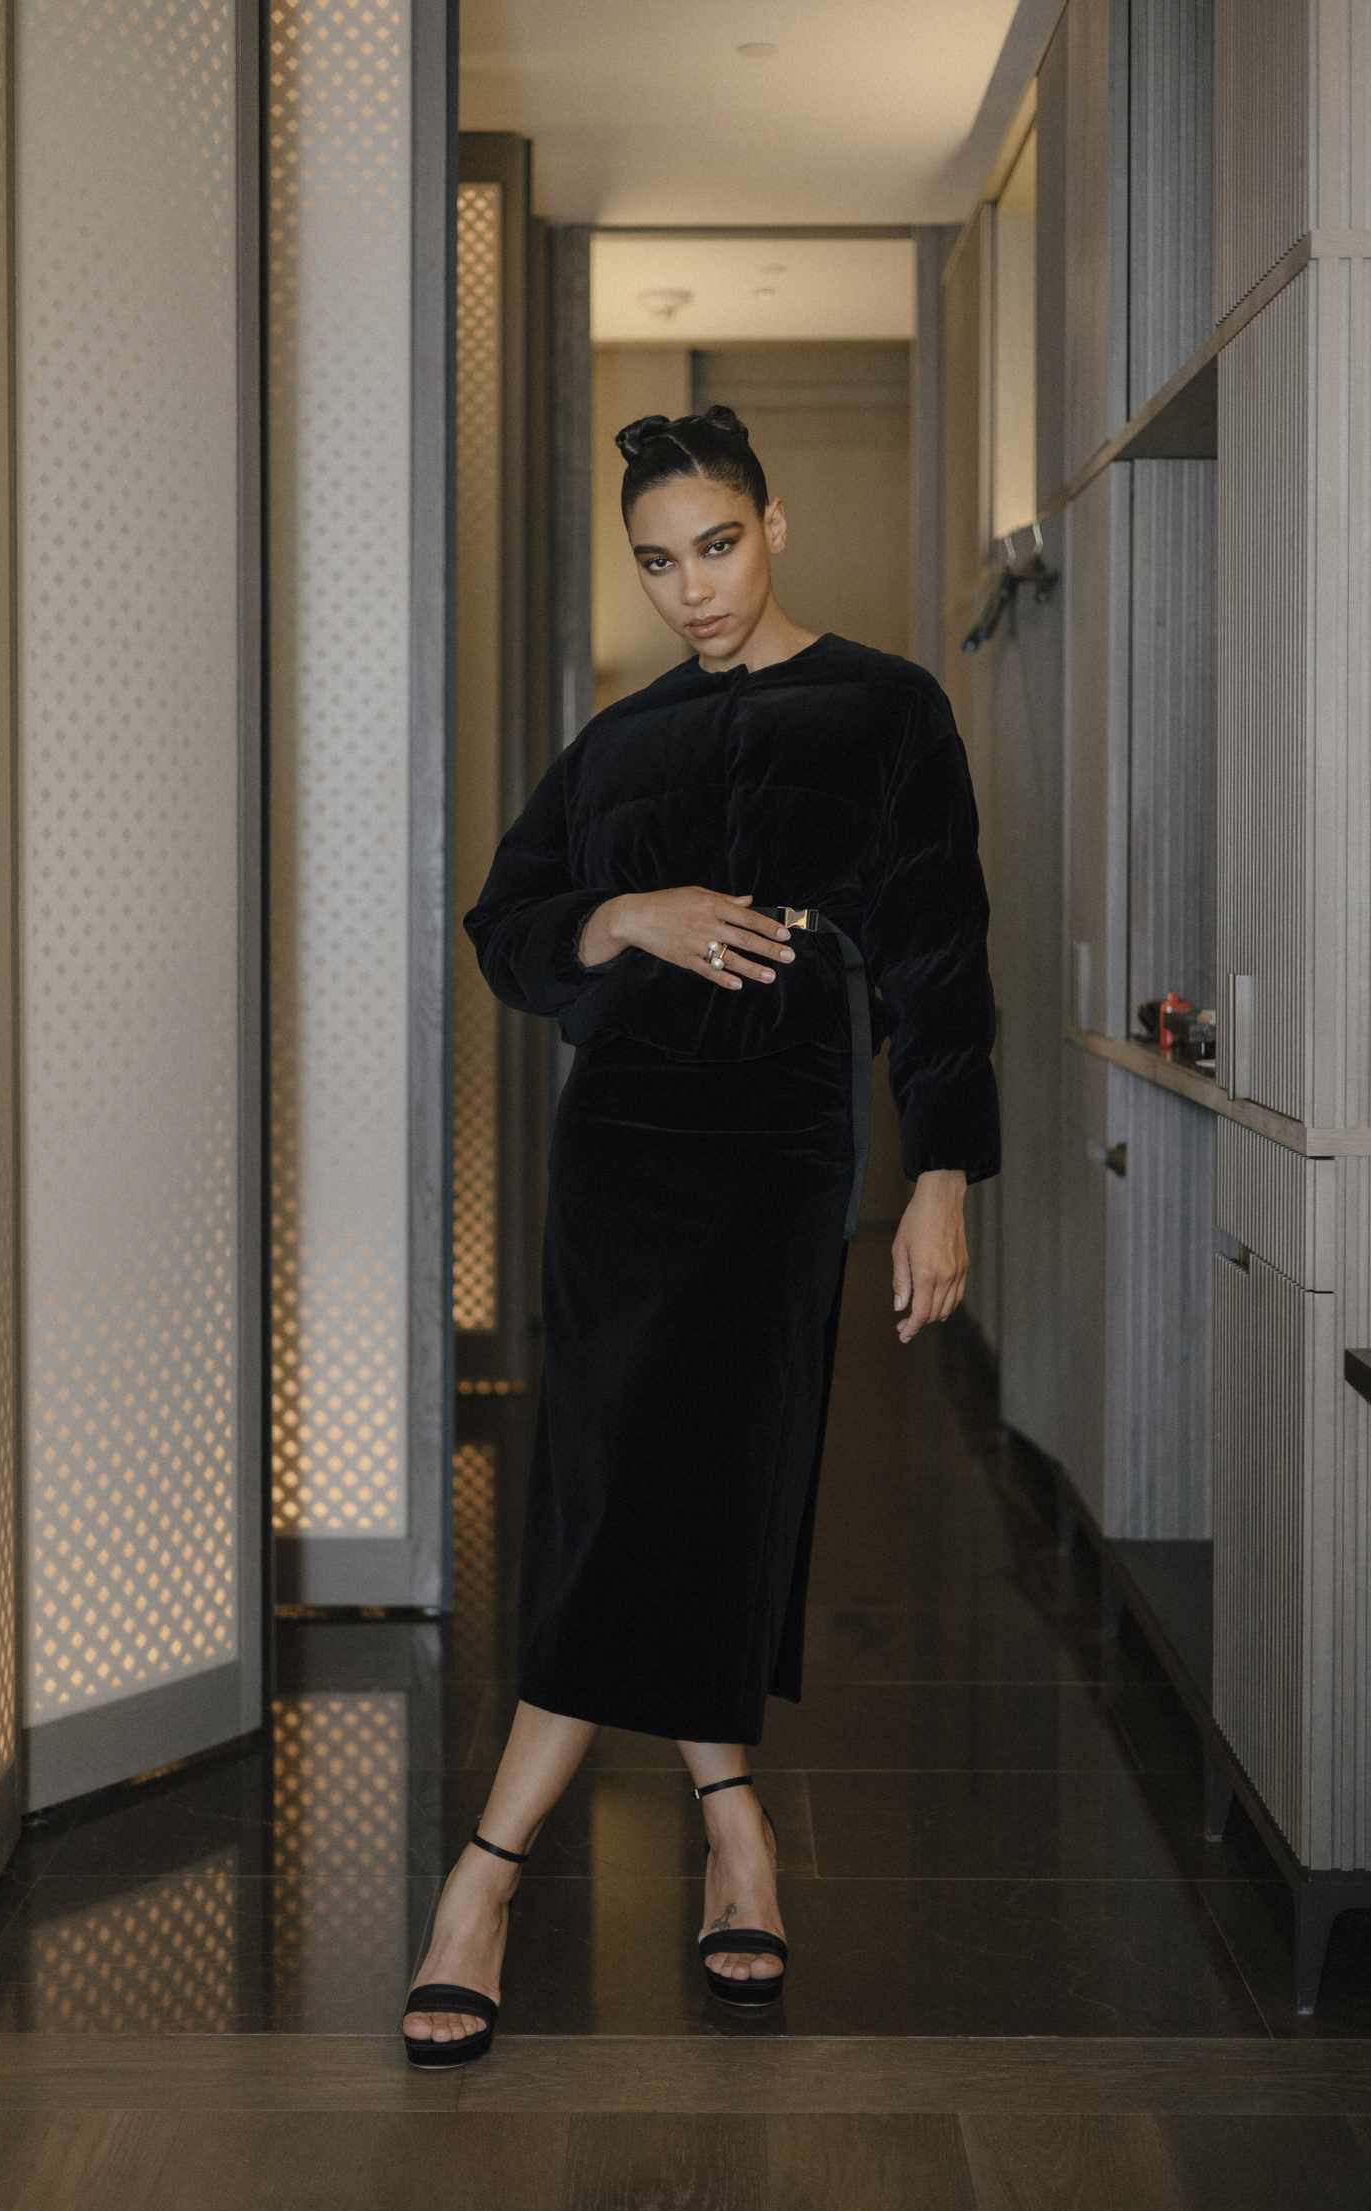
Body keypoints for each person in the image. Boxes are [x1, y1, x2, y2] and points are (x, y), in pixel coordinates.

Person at [400, 404, 1001, 2067]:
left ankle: (502, 1870)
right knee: (620, 1481)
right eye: (659, 562)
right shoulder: (617, 743)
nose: (694, 589)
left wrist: (942, 1172)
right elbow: (506, 922)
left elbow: (940, 950)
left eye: (718, 546)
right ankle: (706, 1838)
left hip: (784, 1151)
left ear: (774, 526)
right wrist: (625, 911)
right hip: (622, 1153)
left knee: (715, 1475)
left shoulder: (887, 708)